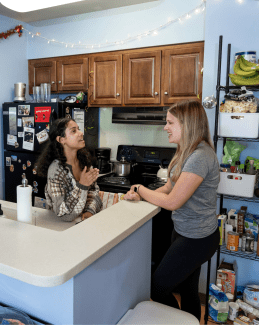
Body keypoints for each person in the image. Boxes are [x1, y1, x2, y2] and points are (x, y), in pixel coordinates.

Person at [124, 100, 220, 321]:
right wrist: (144, 195)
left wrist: (140, 188)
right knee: (188, 292)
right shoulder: (186, 151)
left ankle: (179, 321)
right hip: (184, 232)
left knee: (156, 288)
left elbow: (173, 201)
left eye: (170, 123)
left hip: (198, 238)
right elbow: (169, 188)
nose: (165, 127)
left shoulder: (200, 156)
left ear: (187, 124)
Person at [36, 117, 102, 222]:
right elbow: (63, 215)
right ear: (61, 140)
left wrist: (90, 211)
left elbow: (94, 192)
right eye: (73, 131)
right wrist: (82, 185)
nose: (81, 133)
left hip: (82, 223)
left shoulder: (84, 161)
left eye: (79, 129)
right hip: (59, 228)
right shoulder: (55, 171)